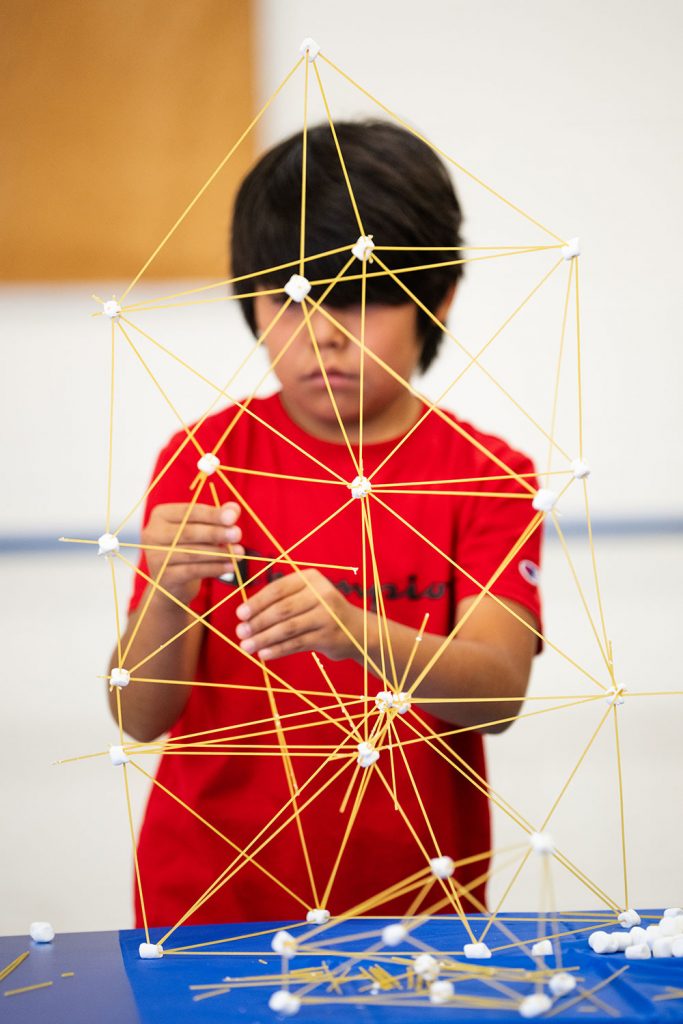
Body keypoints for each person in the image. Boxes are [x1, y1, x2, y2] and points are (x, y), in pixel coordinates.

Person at [109, 121, 542, 929]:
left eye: (362, 300)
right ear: (251, 301)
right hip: (205, 908)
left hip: (417, 920)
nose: (323, 337)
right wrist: (166, 594)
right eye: (290, 301)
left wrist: (356, 630)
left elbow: (497, 695)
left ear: (435, 300)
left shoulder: (488, 476)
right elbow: (139, 716)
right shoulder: (203, 456)